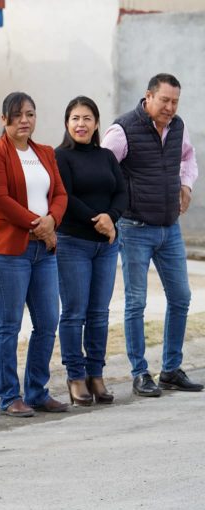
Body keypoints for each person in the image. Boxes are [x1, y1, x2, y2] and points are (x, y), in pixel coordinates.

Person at [102, 73, 202, 396]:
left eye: (175, 102)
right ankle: (139, 372)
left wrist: (185, 183)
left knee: (181, 297)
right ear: (148, 97)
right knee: (136, 302)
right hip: (134, 229)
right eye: (164, 100)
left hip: (169, 228)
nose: (170, 108)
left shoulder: (178, 128)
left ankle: (171, 368)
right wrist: (114, 210)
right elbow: (103, 169)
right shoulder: (122, 129)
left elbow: (188, 157)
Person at [0, 92, 68, 418]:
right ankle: (8, 397)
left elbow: (59, 193)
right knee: (9, 325)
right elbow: (0, 200)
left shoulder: (44, 152)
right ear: (5, 119)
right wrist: (38, 224)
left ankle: (37, 391)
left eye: (30, 114)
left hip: (43, 251)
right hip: (8, 252)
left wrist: (52, 221)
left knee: (47, 322)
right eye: (17, 115)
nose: (25, 120)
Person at [55, 96, 127, 406]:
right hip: (73, 243)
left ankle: (96, 374)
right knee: (74, 313)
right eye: (75, 118)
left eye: (87, 118)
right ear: (67, 123)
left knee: (99, 313)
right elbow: (65, 196)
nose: (81, 124)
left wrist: (112, 218)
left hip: (107, 246)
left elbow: (122, 190)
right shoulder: (60, 157)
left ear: (97, 123)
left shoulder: (107, 156)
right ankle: (75, 376)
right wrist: (97, 220)